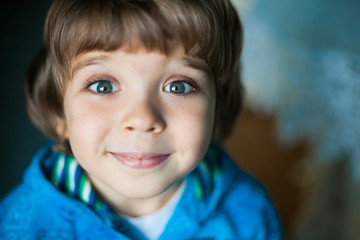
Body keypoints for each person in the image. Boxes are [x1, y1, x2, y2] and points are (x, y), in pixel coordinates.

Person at [0, 0, 282, 239]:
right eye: (103, 86)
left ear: (216, 107)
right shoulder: (23, 225)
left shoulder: (248, 214)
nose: (143, 118)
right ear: (58, 112)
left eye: (178, 87)